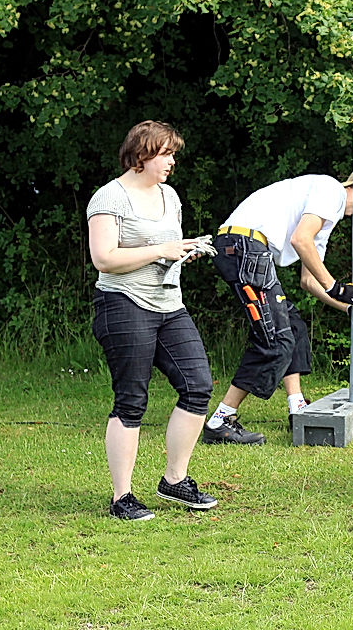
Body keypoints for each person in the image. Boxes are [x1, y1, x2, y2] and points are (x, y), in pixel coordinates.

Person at [202, 166, 353, 445]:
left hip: (249, 251)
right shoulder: (331, 190)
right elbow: (300, 240)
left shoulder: (325, 218)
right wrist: (337, 287)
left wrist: (352, 309)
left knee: (292, 325)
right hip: (243, 246)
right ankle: (221, 420)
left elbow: (309, 280)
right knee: (275, 339)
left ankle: (297, 408)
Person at [87, 120, 218, 520]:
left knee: (198, 387)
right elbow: (105, 258)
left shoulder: (170, 196)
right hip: (123, 304)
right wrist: (161, 248)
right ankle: (121, 498)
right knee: (131, 401)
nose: (171, 162)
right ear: (141, 155)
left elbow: (164, 249)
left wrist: (185, 249)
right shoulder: (109, 198)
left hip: (169, 305)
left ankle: (174, 481)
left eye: (173, 154)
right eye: (165, 154)